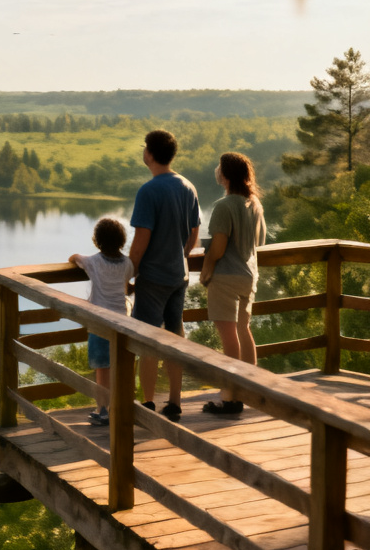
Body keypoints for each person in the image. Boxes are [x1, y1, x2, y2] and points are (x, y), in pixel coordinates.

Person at [128, 130, 201, 421]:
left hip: (154, 278)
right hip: (178, 276)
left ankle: (147, 403)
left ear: (149, 154)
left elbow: (141, 239)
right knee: (175, 336)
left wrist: (129, 273)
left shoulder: (149, 190)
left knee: (147, 339)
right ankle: (174, 402)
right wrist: (181, 257)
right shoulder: (187, 186)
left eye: (145, 148)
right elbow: (194, 233)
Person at [199, 152, 267, 415]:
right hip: (248, 275)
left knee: (229, 338)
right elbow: (257, 242)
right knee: (244, 329)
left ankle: (230, 397)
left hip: (226, 276)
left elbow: (217, 248)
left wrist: (206, 271)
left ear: (225, 174)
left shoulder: (224, 206)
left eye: (219, 166)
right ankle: (250, 387)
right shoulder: (254, 204)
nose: (216, 170)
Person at [70, 217, 135, 426]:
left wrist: (76, 256)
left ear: (97, 241)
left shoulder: (93, 262)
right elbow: (126, 284)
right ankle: (119, 407)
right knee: (118, 366)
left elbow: (74, 258)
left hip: (99, 322)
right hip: (120, 321)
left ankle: (102, 409)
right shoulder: (127, 263)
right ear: (122, 241)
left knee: (102, 368)